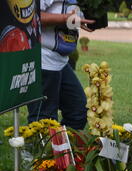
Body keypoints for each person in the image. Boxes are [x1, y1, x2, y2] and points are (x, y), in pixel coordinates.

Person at [26, 0, 94, 130]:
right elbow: (30, 16)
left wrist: (79, 19)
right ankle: (34, 149)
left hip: (60, 61)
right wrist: (64, 18)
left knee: (78, 111)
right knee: (44, 119)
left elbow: (65, 12)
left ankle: (63, 147)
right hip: (42, 59)